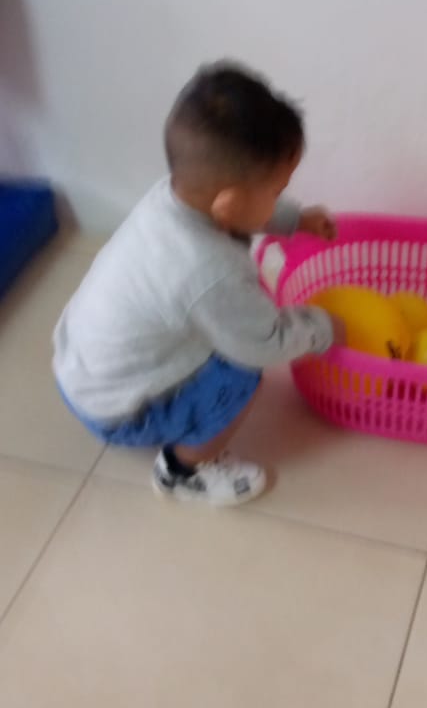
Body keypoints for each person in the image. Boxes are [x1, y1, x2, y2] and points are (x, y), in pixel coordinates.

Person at [53, 62, 344, 507]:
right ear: (228, 203)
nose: (279, 200)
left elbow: (239, 213)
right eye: (275, 192)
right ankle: (183, 471)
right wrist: (323, 329)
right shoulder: (209, 271)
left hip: (79, 371)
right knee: (242, 368)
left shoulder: (172, 197)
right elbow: (265, 342)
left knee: (221, 322)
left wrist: (295, 219)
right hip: (121, 411)